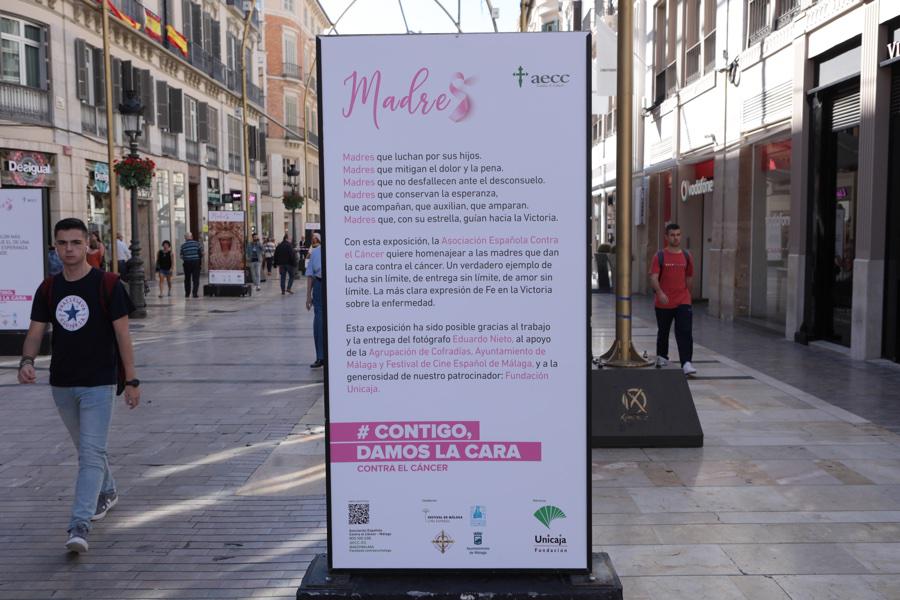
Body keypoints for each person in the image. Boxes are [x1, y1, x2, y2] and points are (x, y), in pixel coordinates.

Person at [17, 218, 140, 554]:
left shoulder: (109, 284)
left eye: (75, 242)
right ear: (55, 247)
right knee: (88, 450)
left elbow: (123, 336)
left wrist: (131, 380)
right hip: (62, 383)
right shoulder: (49, 288)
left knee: (89, 453)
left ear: (88, 244)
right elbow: (35, 332)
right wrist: (26, 362)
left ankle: (79, 524)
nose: (68, 249)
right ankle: (109, 489)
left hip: (99, 382)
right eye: (62, 243)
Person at [649, 223, 696, 376]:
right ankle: (662, 358)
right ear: (666, 237)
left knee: (684, 332)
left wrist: (687, 295)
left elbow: (689, 277)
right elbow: (654, 277)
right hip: (664, 302)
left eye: (678, 235)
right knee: (663, 332)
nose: (676, 238)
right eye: (672, 235)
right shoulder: (659, 256)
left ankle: (686, 363)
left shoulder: (687, 256)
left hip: (683, 300)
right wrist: (660, 293)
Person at [305, 233, 324, 368]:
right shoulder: (315, 253)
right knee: (319, 321)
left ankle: (323, 356)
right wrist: (308, 296)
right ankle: (321, 356)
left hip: (324, 284)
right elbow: (310, 275)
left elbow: (310, 275)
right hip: (319, 285)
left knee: (320, 320)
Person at [180, 232, 203, 298]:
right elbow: (201, 254)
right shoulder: (197, 244)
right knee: (195, 279)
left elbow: (181, 256)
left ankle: (187, 294)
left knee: (187, 279)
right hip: (196, 263)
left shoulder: (183, 246)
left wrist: (186, 257)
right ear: (191, 236)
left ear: (185, 238)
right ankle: (195, 293)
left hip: (187, 263)